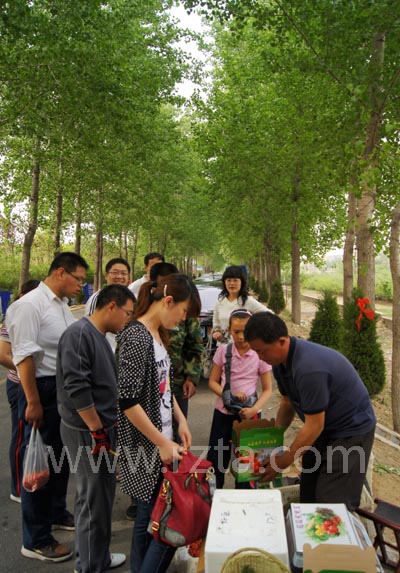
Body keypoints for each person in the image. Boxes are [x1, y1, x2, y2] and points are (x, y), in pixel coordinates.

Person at [244, 311, 376, 511]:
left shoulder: (309, 369)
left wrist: (283, 461)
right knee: (309, 487)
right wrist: (270, 440)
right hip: (324, 428)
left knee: (331, 501)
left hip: (351, 432)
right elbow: (287, 403)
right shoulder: (280, 363)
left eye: (262, 351)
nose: (260, 357)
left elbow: (314, 425)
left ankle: (336, 529)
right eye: (256, 352)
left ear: (281, 341)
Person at [6, 251, 89, 563]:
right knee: (39, 467)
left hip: (61, 390)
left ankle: (55, 512)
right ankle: (36, 539)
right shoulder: (29, 306)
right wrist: (32, 401)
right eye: (78, 279)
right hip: (41, 389)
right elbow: (23, 356)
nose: (80, 286)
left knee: (59, 459)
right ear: (60, 272)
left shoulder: (62, 305)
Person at [57, 285, 135, 573]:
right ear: (111, 306)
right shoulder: (78, 335)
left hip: (101, 429)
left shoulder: (101, 336)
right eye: (127, 313)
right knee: (92, 498)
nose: (127, 320)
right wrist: (97, 431)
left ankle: (97, 556)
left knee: (101, 496)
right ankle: (89, 565)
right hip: (88, 433)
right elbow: (77, 387)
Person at [117, 273, 192, 573]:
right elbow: (127, 401)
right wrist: (161, 443)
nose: (183, 319)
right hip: (145, 445)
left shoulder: (157, 334)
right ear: (168, 301)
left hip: (162, 439)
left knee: (152, 515)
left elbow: (164, 386)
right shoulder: (136, 336)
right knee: (156, 517)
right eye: (183, 311)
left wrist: (181, 419)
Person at [207, 309, 272, 489]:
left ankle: (245, 499)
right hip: (223, 414)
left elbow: (268, 389)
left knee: (248, 466)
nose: (241, 336)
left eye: (245, 331)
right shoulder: (223, 351)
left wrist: (253, 410)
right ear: (229, 330)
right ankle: (213, 497)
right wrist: (228, 395)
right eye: (236, 331)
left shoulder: (260, 354)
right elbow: (212, 382)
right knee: (216, 460)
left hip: (250, 416)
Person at [0, 279, 40, 503]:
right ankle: (17, 488)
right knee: (20, 438)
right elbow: (2, 355)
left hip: (35, 384)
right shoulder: (15, 316)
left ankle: (33, 480)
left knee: (31, 436)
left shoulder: (37, 316)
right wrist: (26, 369)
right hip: (18, 385)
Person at [149, 262, 204, 418]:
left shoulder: (183, 310)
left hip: (176, 384)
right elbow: (130, 401)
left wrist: (191, 377)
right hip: (149, 393)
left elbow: (195, 345)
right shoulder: (140, 327)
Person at [212, 265, 269, 344]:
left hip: (245, 348)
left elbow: (270, 316)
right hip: (224, 348)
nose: (232, 283)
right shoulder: (220, 302)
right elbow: (216, 324)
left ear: (242, 282)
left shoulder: (248, 301)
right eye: (228, 280)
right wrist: (217, 332)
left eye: (235, 280)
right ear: (224, 282)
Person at [85, 257, 132, 351]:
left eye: (123, 273)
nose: (119, 277)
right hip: (103, 352)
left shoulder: (128, 300)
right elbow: (90, 330)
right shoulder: (98, 299)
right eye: (115, 272)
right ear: (106, 275)